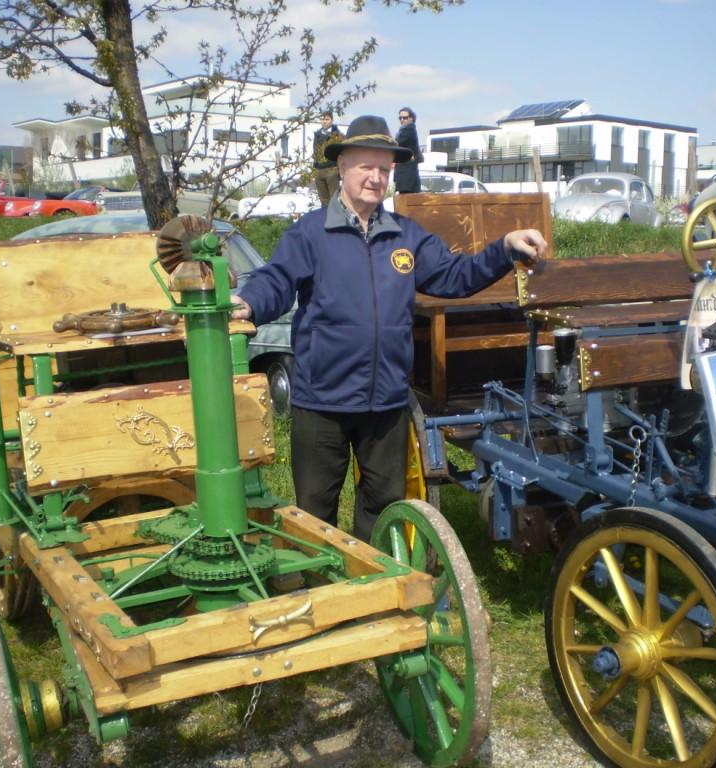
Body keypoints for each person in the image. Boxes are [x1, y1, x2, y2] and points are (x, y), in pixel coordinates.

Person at [231, 115, 547, 541]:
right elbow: (277, 280)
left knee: (381, 510)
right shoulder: (309, 233)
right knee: (314, 513)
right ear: (342, 168)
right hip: (322, 400)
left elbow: (457, 276)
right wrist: (248, 303)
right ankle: (316, 593)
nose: (376, 178)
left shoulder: (406, 237)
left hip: (385, 403)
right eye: (366, 167)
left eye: (384, 170)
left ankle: (371, 588)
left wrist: (504, 249)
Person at [311, 110, 343, 207]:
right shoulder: (317, 134)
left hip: (332, 169)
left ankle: (335, 220)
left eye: (327, 119)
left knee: (334, 201)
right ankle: (324, 220)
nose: (324, 121)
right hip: (319, 170)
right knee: (323, 202)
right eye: (322, 119)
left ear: (332, 120)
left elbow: (341, 153)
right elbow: (315, 152)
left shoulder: (337, 135)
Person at [393, 107, 422, 193]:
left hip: (406, 174)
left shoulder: (409, 128)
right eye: (400, 118)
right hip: (407, 174)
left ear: (411, 118)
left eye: (405, 118)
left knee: (405, 200)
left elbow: (397, 143)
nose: (402, 120)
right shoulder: (405, 129)